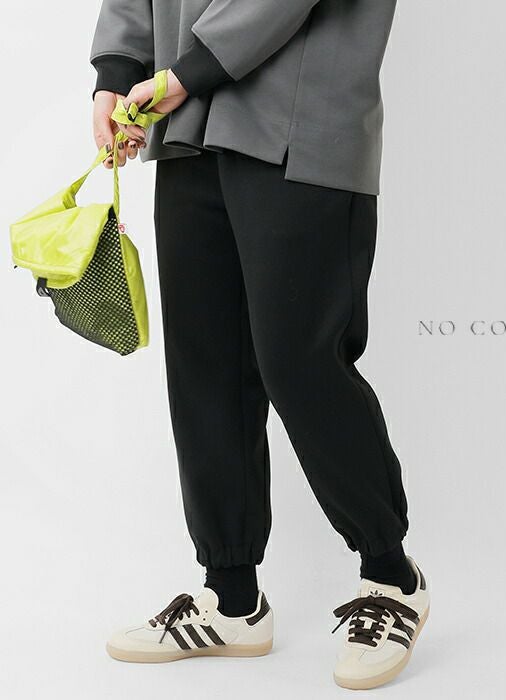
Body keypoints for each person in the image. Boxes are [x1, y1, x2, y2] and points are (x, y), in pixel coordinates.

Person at [90, 0, 429, 689]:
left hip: (300, 123)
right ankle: (231, 597)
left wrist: (183, 74)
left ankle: (392, 577)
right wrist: (116, 74)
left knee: (300, 365)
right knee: (205, 365)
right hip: (184, 128)